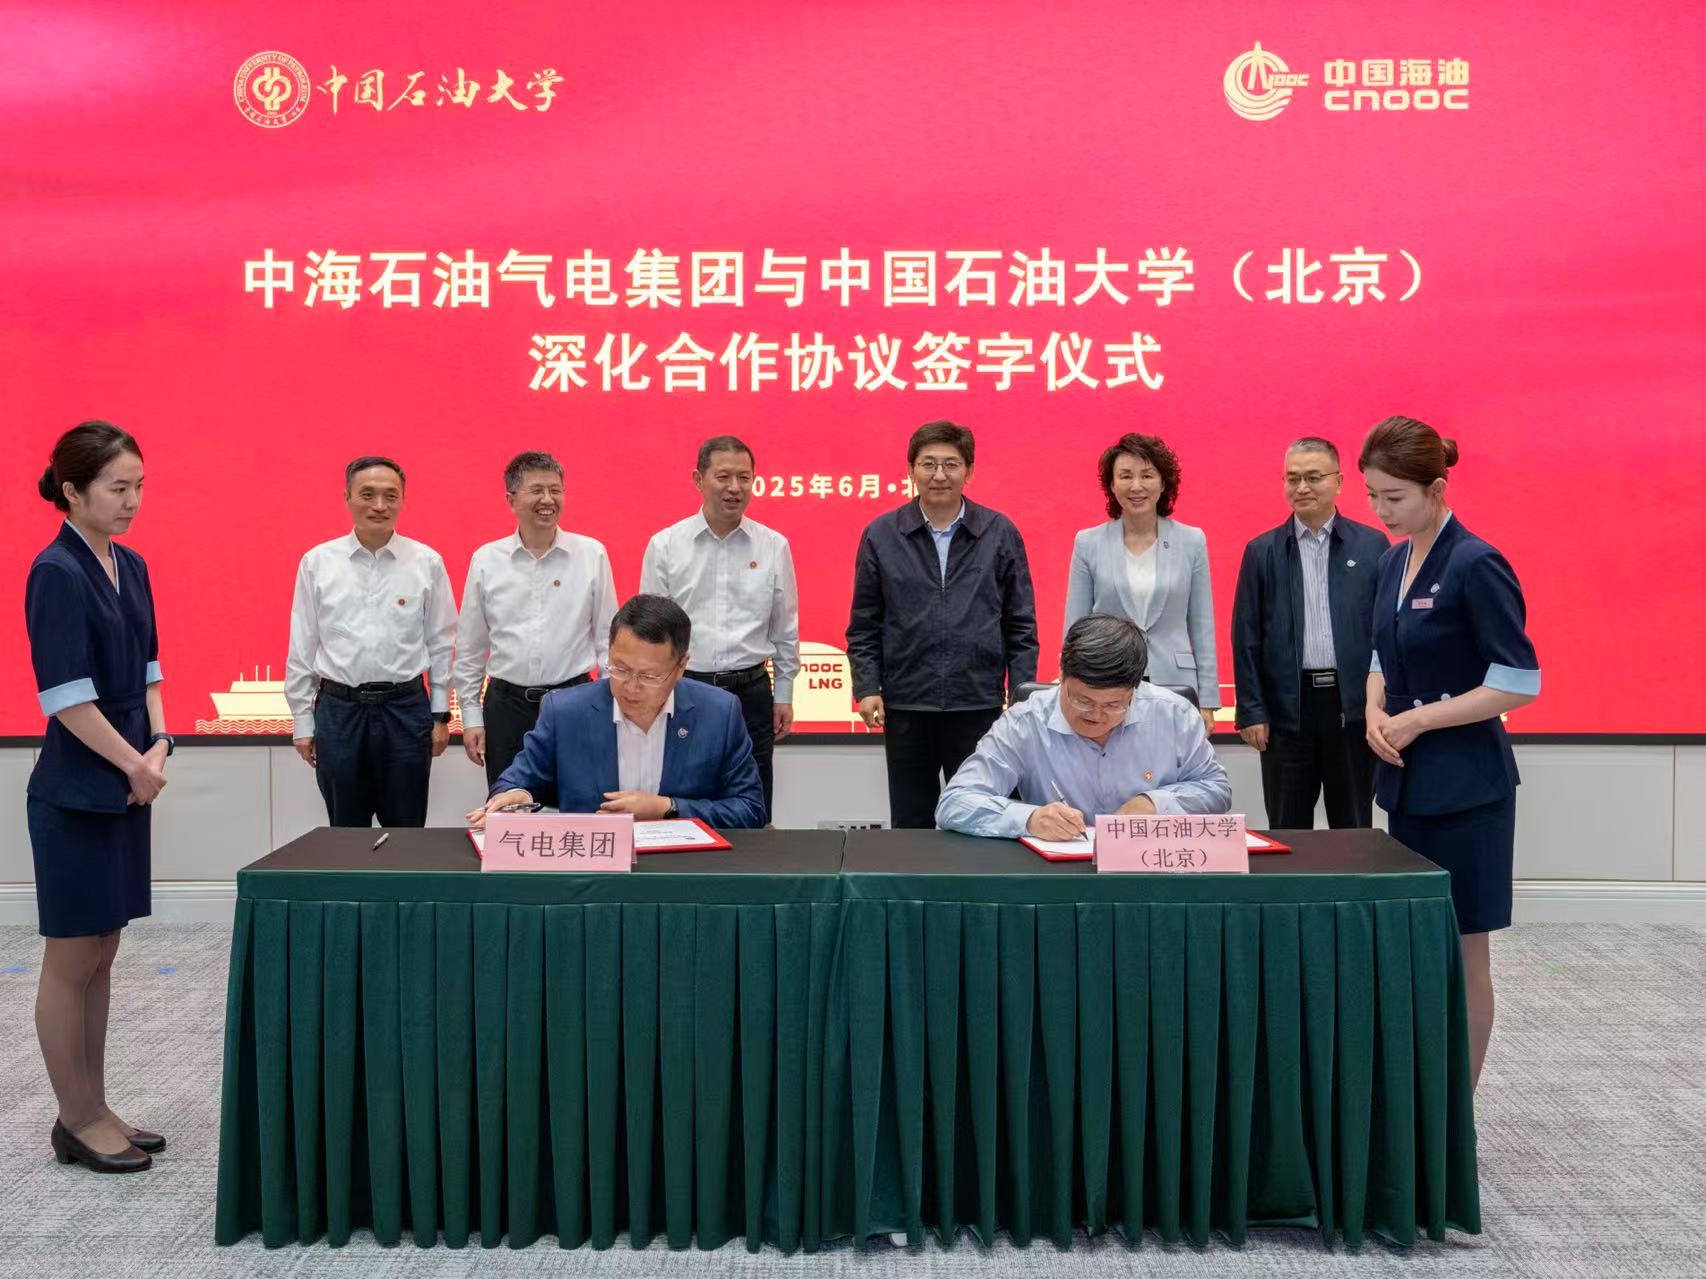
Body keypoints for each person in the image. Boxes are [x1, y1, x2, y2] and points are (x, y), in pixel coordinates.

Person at [1360, 416, 1540, 1091]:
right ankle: (1418, 1098)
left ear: (1437, 489)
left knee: (1464, 952)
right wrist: (1376, 709)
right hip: (1407, 785)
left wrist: (1418, 719)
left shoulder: (1475, 562)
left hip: (1468, 788)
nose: (1381, 512)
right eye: (1373, 496)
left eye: (1395, 497)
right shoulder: (1391, 561)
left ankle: (1455, 1111)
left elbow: (1517, 682)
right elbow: (1382, 653)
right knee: (1414, 947)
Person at [25, 422, 170, 1173]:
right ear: (73, 490)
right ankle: (75, 1118)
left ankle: (95, 1105)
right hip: (77, 792)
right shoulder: (56, 570)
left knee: (104, 951)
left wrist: (161, 743)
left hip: (124, 786)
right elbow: (65, 697)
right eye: (118, 487)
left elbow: (149, 669)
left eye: (139, 486)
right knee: (72, 954)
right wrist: (133, 765)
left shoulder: (130, 563)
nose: (132, 500)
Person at [846, 421, 1038, 828]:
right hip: (906, 703)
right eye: (928, 464)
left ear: (969, 471)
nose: (939, 475)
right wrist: (867, 687)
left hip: (978, 703)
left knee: (983, 816)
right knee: (911, 821)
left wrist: (1021, 695)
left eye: (950, 464)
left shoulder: (998, 532)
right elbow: (864, 623)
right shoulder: (882, 534)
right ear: (910, 470)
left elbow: (1021, 624)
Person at [471, 595, 765, 829]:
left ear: (680, 667)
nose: (632, 687)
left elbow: (750, 810)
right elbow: (517, 781)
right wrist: (516, 796)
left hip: (683, 870)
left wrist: (668, 807)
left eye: (649, 676)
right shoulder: (564, 712)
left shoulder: (719, 713)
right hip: (593, 871)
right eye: (620, 668)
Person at [936, 614, 1231, 838]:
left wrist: (1154, 803)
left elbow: (1216, 789)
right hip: (1060, 875)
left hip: (1150, 867)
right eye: (1083, 701)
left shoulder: (1174, 715)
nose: (1097, 715)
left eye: (1114, 705)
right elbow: (954, 803)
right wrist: (1028, 819)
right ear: (1061, 674)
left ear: (1136, 688)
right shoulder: (1025, 722)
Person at [285, 456, 456, 827]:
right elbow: (303, 644)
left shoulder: (426, 562)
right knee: (345, 831)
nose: (379, 505)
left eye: (390, 496)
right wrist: (302, 720)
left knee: (407, 830)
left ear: (403, 500)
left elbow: (441, 643)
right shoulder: (318, 562)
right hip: (339, 712)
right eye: (367, 494)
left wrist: (440, 715)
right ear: (347, 497)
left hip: (405, 710)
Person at [639, 435, 799, 823]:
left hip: (751, 692)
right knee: (681, 800)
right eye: (723, 477)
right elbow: (650, 633)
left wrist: (784, 693)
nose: (735, 488)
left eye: (744, 477)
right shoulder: (666, 545)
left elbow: (785, 627)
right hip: (686, 691)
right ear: (699, 479)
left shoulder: (773, 545)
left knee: (753, 806)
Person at [1231, 437, 1389, 828]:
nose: (1302, 487)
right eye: (1293, 478)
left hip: (1352, 709)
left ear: (1339, 481)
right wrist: (1251, 710)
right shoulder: (1262, 551)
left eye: (1314, 477)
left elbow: (1386, 632)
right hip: (1288, 711)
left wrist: (1383, 702)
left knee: (1353, 827)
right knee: (1288, 828)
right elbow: (1246, 636)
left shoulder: (1372, 546)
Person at [455, 451, 618, 788]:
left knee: (579, 801)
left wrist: (611, 706)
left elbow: (608, 638)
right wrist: (470, 717)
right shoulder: (487, 560)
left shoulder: (591, 555)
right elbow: (471, 647)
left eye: (555, 490)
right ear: (511, 500)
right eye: (537, 490)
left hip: (574, 700)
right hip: (507, 707)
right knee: (508, 802)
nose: (548, 500)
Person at [1063, 433, 1219, 733]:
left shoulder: (1192, 541)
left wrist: (1208, 700)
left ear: (1163, 483)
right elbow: (1075, 627)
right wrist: (1069, 688)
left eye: (1147, 475)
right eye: (1125, 476)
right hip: (1106, 684)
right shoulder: (1088, 542)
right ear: (1112, 485)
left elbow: (1202, 626)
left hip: (1175, 683)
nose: (1136, 486)